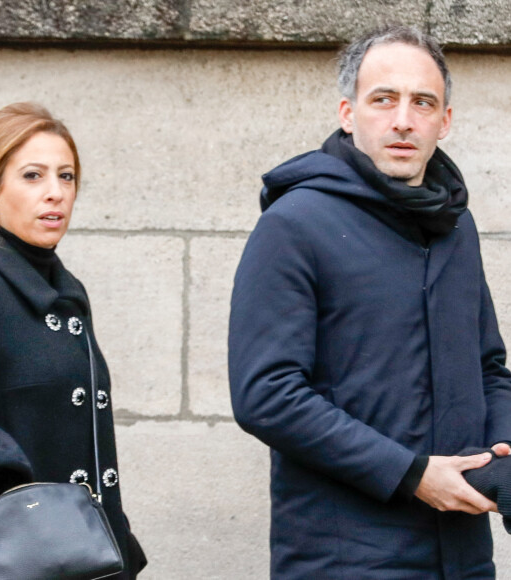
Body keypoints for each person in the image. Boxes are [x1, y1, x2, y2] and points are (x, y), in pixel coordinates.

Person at [228, 25, 511, 579]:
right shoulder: (295, 224)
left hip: (463, 558)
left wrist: (504, 450)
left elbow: (488, 368)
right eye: (383, 99)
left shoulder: (457, 228)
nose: (403, 119)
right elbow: (266, 394)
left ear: (444, 121)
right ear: (348, 112)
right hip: (346, 560)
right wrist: (411, 474)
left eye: (422, 103)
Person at [0, 102, 146, 579]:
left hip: (74, 557)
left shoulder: (65, 293)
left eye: (66, 177)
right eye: (32, 176)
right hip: (3, 561)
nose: (55, 193)